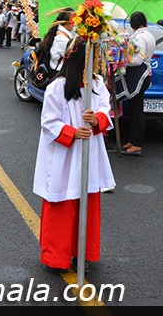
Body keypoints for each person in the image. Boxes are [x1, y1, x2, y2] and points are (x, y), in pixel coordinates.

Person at [32, 36, 115, 272]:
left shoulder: (97, 83)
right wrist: (72, 132)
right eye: (94, 58)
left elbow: (105, 109)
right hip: (64, 155)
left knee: (86, 203)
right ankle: (56, 256)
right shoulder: (57, 87)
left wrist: (96, 120)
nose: (97, 63)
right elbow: (48, 122)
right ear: (82, 59)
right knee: (61, 203)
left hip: (88, 152)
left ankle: (82, 254)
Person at [118, 11, 155, 156]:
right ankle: (132, 141)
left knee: (137, 111)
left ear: (133, 24)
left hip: (140, 74)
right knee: (135, 109)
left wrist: (121, 61)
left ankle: (137, 144)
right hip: (144, 74)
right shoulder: (148, 35)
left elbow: (138, 60)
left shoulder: (139, 37)